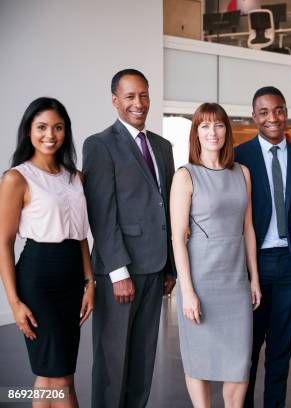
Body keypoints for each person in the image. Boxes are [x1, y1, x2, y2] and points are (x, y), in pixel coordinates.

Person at [82, 69, 176, 408]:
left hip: (156, 268)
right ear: (115, 101)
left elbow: (167, 210)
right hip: (120, 271)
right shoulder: (99, 145)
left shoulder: (162, 147)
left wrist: (171, 268)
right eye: (130, 96)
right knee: (113, 361)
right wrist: (118, 271)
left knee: (143, 358)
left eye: (144, 95)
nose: (139, 103)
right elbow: (101, 214)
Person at [0, 97, 94, 407]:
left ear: (66, 131)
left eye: (58, 127)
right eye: (41, 127)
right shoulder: (17, 178)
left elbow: (81, 235)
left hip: (71, 280)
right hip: (38, 278)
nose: (50, 135)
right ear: (28, 131)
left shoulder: (75, 177)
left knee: (60, 374)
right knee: (56, 374)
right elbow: (4, 241)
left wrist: (89, 281)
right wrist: (14, 303)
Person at [170, 102, 262, 408]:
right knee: (199, 361)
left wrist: (254, 279)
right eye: (205, 126)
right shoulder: (185, 175)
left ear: (227, 131)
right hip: (201, 283)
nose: (213, 132)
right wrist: (187, 292)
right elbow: (178, 238)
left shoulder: (243, 173)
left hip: (235, 282)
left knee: (239, 368)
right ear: (196, 132)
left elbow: (248, 228)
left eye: (219, 125)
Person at [235, 86, 291, 408]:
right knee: (249, 347)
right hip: (252, 264)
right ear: (255, 116)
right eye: (265, 112)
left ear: (286, 113)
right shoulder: (239, 156)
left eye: (278, 110)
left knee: (282, 348)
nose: (273, 118)